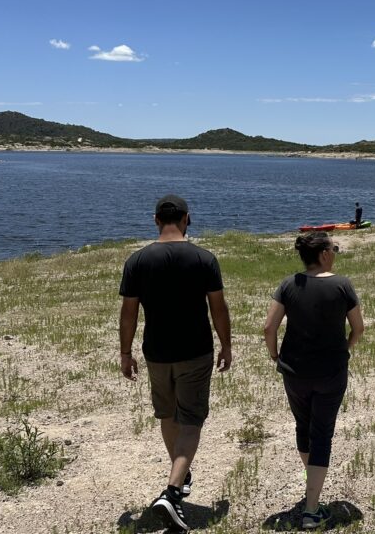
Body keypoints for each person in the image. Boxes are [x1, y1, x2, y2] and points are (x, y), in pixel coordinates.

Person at [118, 194, 233, 531]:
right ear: (187, 218)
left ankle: (179, 476)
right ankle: (172, 491)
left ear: (156, 220)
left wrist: (125, 352)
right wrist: (226, 344)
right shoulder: (204, 258)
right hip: (195, 351)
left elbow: (129, 313)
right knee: (192, 418)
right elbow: (219, 307)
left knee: (167, 415)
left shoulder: (137, 261)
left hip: (156, 352)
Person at [263, 232, 364, 529]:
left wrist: (274, 356)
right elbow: (359, 328)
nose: (334, 251)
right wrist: (344, 347)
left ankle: (313, 488)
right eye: (332, 248)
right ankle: (311, 508)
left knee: (303, 427)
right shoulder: (342, 285)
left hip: (294, 371)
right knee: (322, 434)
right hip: (331, 371)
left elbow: (269, 327)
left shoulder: (288, 284)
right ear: (322, 254)